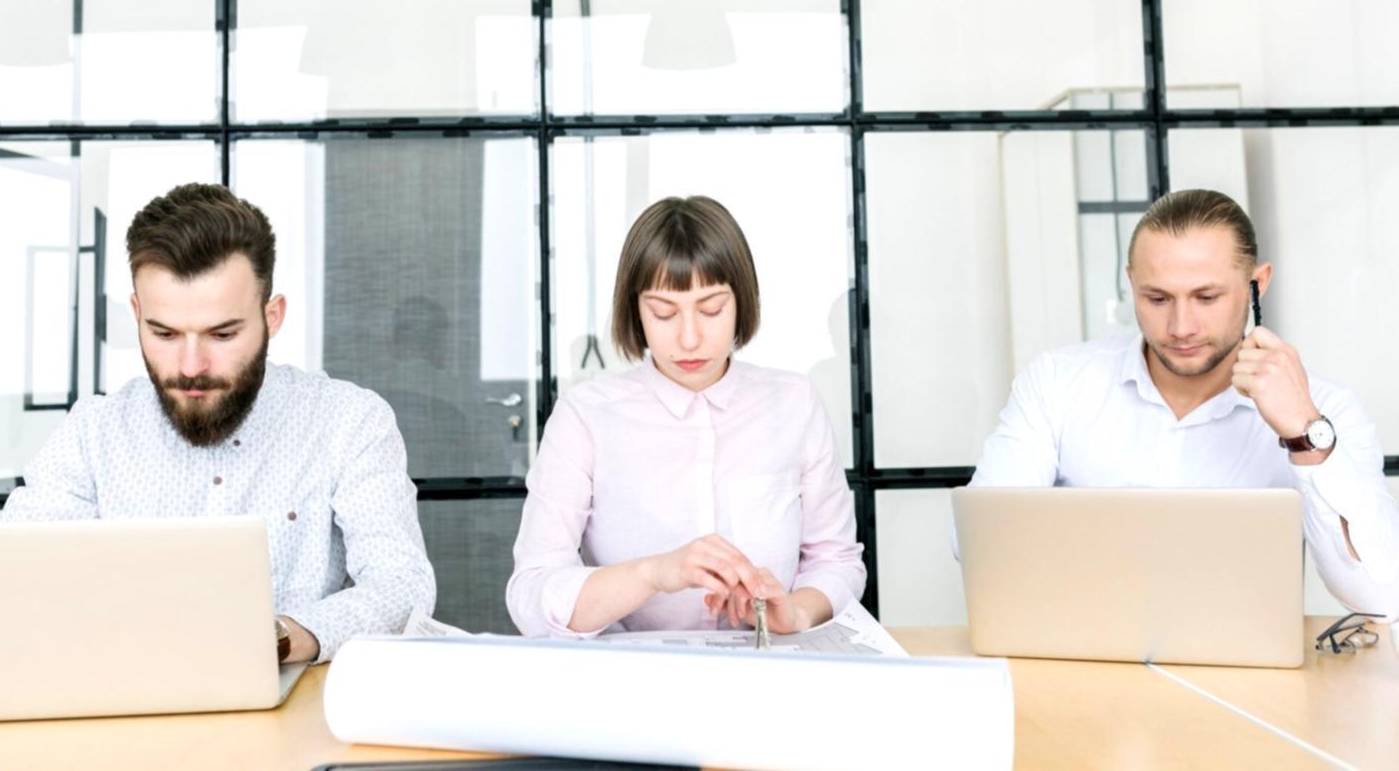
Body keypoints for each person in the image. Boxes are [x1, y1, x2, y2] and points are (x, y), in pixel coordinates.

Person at [2, 183, 437, 662]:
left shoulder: (348, 422)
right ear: (137, 314)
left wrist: (273, 640)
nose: (190, 366)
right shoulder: (92, 433)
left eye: (222, 334)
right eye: (164, 333)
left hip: (295, 704)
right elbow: (18, 578)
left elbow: (402, 586)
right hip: (120, 701)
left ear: (272, 317)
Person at [970, 188, 1399, 618]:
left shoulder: (1327, 409)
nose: (1181, 327)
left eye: (1206, 298)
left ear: (1258, 284)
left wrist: (1305, 435)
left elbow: (1381, 597)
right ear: (1131, 282)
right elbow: (978, 539)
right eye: (1156, 298)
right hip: (1083, 659)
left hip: (1246, 679)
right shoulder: (1057, 382)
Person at [507, 196, 865, 638]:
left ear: (742, 302)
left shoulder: (793, 404)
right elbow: (531, 595)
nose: (690, 337)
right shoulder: (587, 416)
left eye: (712, 309)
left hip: (766, 671)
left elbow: (838, 561)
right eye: (663, 313)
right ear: (635, 310)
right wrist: (655, 573)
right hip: (634, 683)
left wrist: (797, 612)